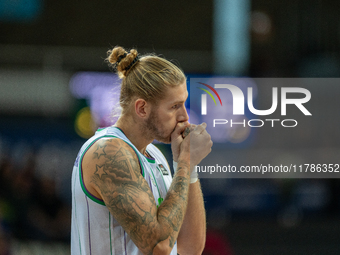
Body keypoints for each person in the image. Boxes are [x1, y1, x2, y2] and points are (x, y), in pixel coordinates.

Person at [71, 46, 213, 255]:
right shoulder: (108, 152)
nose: (185, 116)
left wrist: (188, 168)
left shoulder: (155, 155)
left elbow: (190, 248)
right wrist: (185, 163)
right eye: (175, 106)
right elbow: (159, 246)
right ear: (142, 109)